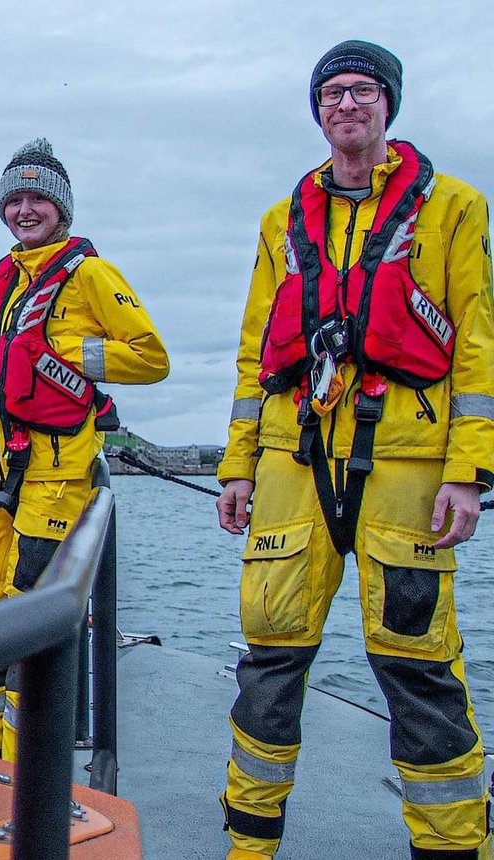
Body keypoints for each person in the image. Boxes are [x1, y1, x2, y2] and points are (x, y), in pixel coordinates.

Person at [216, 40, 494, 859]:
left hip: (408, 467)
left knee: (418, 665)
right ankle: (249, 845)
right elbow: (251, 353)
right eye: (332, 93)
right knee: (269, 660)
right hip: (292, 462)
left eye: (364, 91)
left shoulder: (455, 209)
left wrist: (469, 474)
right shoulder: (280, 221)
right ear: (317, 110)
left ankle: (450, 848)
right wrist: (236, 464)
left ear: (389, 104)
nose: (347, 105)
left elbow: (477, 347)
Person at [0, 138, 169, 762]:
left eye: (37, 198)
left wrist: (69, 356)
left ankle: (26, 775)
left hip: (56, 476)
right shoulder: (1, 275)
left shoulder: (90, 274)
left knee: (26, 621)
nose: (24, 210)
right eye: (13, 199)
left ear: (61, 210)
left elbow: (152, 359)